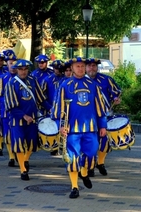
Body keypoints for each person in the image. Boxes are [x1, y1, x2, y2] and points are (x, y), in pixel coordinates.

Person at [51, 57, 107, 199]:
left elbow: (100, 107)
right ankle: (74, 187)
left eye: (82, 66)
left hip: (90, 127)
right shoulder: (65, 85)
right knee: (72, 157)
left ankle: (84, 173)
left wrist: (103, 125)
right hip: (72, 130)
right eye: (77, 66)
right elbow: (59, 109)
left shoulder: (93, 85)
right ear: (72, 68)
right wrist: (61, 126)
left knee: (91, 153)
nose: (80, 69)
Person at [4, 59, 46, 181]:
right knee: (19, 143)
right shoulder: (11, 84)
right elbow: (11, 106)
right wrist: (24, 116)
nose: (23, 71)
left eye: (25, 69)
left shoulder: (33, 81)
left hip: (32, 118)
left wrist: (52, 109)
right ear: (16, 70)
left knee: (32, 143)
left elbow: (41, 99)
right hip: (17, 120)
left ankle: (25, 159)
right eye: (21, 69)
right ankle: (23, 170)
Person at [85, 58, 121, 177]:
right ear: (85, 68)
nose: (92, 68)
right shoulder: (81, 81)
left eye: (94, 66)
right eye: (89, 66)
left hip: (103, 116)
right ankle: (89, 166)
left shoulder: (106, 79)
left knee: (104, 142)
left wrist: (116, 98)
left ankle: (100, 163)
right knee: (90, 143)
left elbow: (115, 92)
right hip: (87, 117)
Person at [0, 52, 17, 167]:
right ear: (6, 64)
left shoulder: (22, 77)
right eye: (10, 63)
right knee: (8, 134)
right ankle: (11, 157)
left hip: (20, 112)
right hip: (6, 111)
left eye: (14, 63)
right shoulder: (2, 79)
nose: (12, 66)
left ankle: (19, 153)